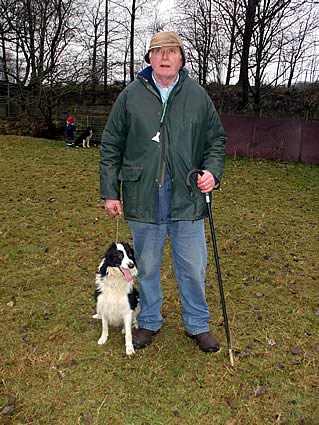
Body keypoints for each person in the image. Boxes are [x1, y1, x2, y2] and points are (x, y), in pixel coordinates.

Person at [100, 31, 226, 353]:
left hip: (187, 195)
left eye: (171, 52)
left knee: (193, 266)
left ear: (181, 58)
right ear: (150, 59)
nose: (165, 58)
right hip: (144, 195)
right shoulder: (130, 96)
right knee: (147, 265)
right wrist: (110, 191)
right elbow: (111, 144)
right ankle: (151, 321)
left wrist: (212, 171)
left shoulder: (198, 97)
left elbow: (216, 141)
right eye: (158, 52)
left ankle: (197, 324)